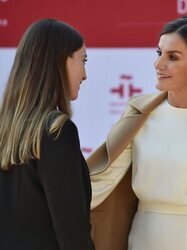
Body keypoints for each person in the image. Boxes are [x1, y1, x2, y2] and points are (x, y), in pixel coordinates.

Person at [87, 16, 187, 250]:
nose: (159, 64)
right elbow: (101, 180)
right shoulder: (139, 113)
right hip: (140, 236)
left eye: (172, 57)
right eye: (159, 53)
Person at [0, 19, 94, 250]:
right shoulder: (57, 131)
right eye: (82, 61)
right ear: (60, 61)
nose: (85, 75)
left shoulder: (6, 130)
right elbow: (72, 234)